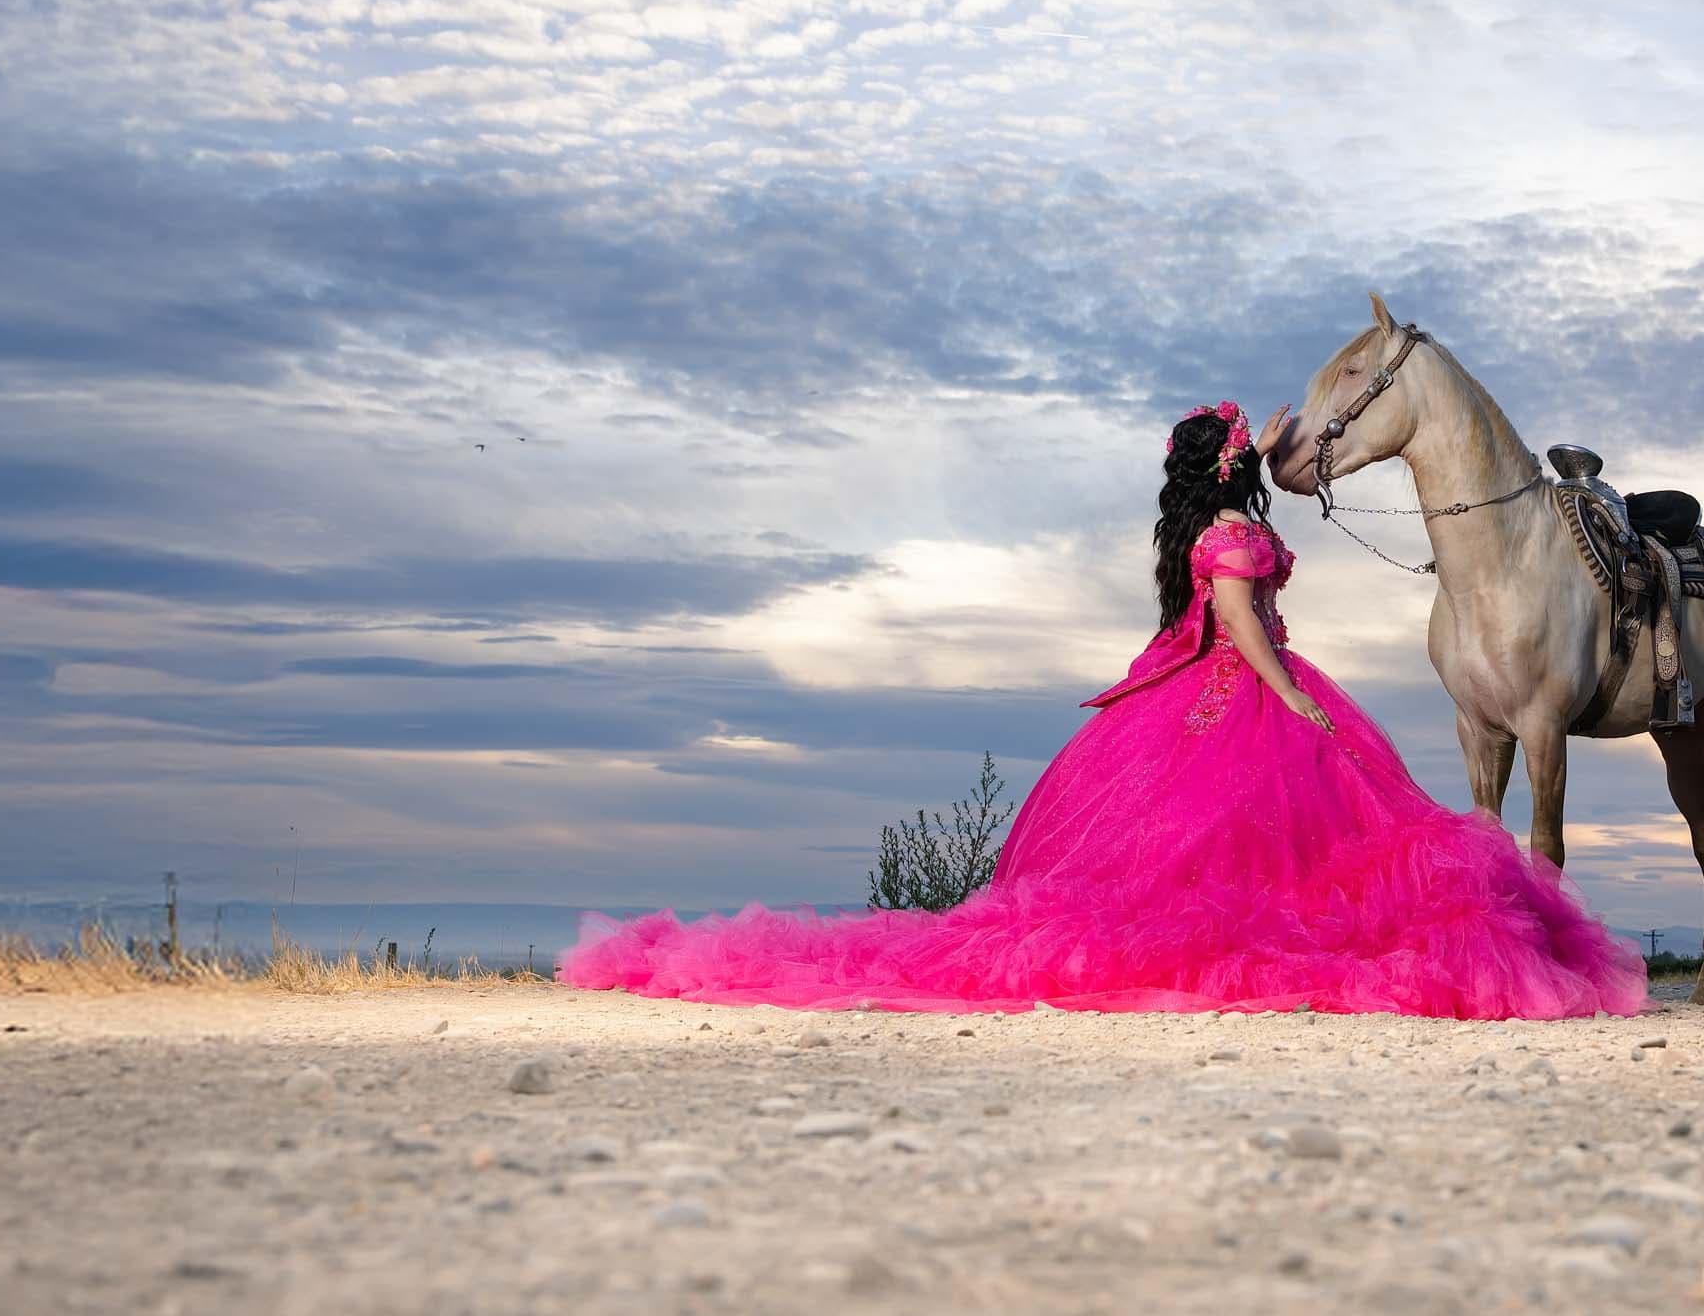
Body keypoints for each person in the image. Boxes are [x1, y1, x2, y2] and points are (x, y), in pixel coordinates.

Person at [560, 401, 1645, 1018]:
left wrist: (1269, 439)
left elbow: (1242, 568)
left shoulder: (1220, 517)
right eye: (1237, 456)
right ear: (1218, 473)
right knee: (1245, 848)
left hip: (1237, 693)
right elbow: (1246, 629)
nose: (1246, 465)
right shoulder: (1225, 539)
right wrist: (1292, 704)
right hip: (1252, 693)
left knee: (1265, 848)